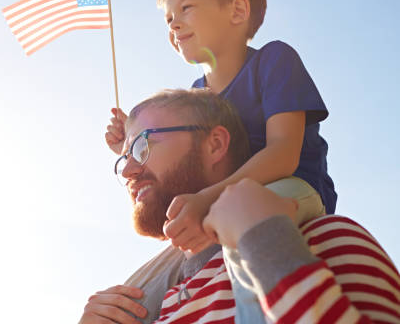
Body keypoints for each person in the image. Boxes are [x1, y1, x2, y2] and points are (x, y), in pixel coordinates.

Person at [105, 0, 335, 320]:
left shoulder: (273, 61)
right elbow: (186, 164)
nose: (174, 25)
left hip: (291, 188)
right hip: (219, 202)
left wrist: (206, 199)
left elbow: (283, 154)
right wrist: (132, 146)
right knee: (138, 292)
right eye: (168, 18)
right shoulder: (198, 95)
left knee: (244, 225)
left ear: (237, 12)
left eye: (186, 9)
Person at [83, 89, 400, 323]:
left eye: (142, 146)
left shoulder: (323, 240)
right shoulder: (150, 303)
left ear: (216, 144)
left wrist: (266, 243)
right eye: (123, 158)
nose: (126, 170)